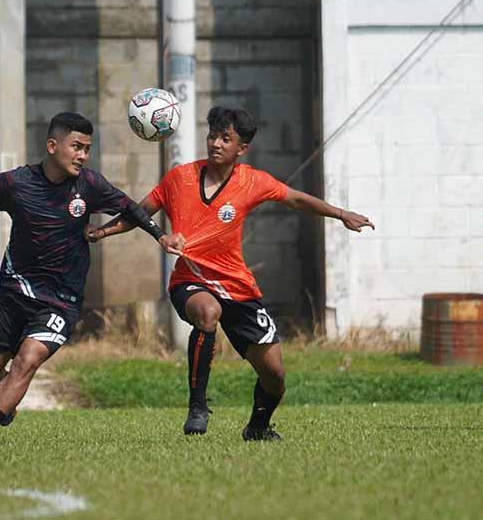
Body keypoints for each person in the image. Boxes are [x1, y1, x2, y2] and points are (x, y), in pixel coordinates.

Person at [0, 112, 183, 447]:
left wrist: (159, 236)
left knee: (27, 360)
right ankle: (5, 403)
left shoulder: (90, 185)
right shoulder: (15, 184)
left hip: (61, 300)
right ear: (53, 146)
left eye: (87, 148)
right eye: (77, 147)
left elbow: (131, 209)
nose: (83, 155)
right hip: (14, 293)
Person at [90, 106, 373, 441]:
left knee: (275, 375)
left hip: (237, 286)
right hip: (190, 280)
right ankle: (197, 407)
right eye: (212, 136)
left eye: (226, 138)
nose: (216, 143)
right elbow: (139, 212)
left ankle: (258, 427)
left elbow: (295, 199)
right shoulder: (179, 178)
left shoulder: (253, 181)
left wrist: (341, 214)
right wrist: (102, 232)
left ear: (242, 149)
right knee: (208, 313)